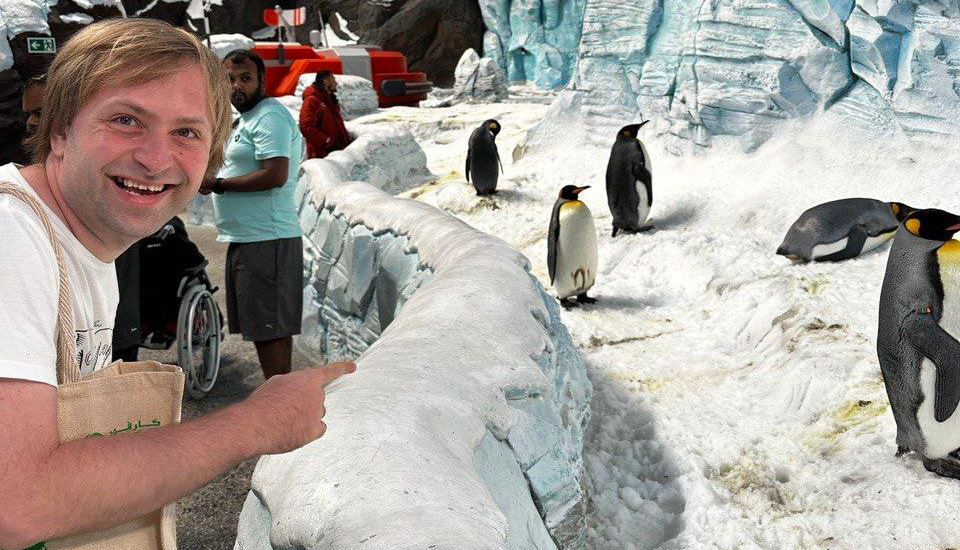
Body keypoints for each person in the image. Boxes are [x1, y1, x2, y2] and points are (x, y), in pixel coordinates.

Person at [0, 19, 354, 548]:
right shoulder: (12, 237)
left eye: (186, 132)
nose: (156, 159)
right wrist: (257, 422)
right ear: (59, 132)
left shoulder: (86, 243)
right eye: (125, 120)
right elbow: (16, 505)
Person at [201, 49, 304, 380]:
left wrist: (218, 184)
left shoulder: (269, 116)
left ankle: (280, 401)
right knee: (269, 328)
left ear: (262, 79)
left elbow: (275, 174)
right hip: (252, 238)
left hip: (266, 239)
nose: (236, 86)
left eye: (245, 78)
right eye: (230, 79)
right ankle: (283, 395)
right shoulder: (246, 119)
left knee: (268, 330)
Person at [299, 69, 352, 159]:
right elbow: (306, 127)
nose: (336, 83)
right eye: (333, 80)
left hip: (336, 152)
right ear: (326, 82)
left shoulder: (330, 100)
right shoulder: (312, 100)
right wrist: (327, 141)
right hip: (323, 155)